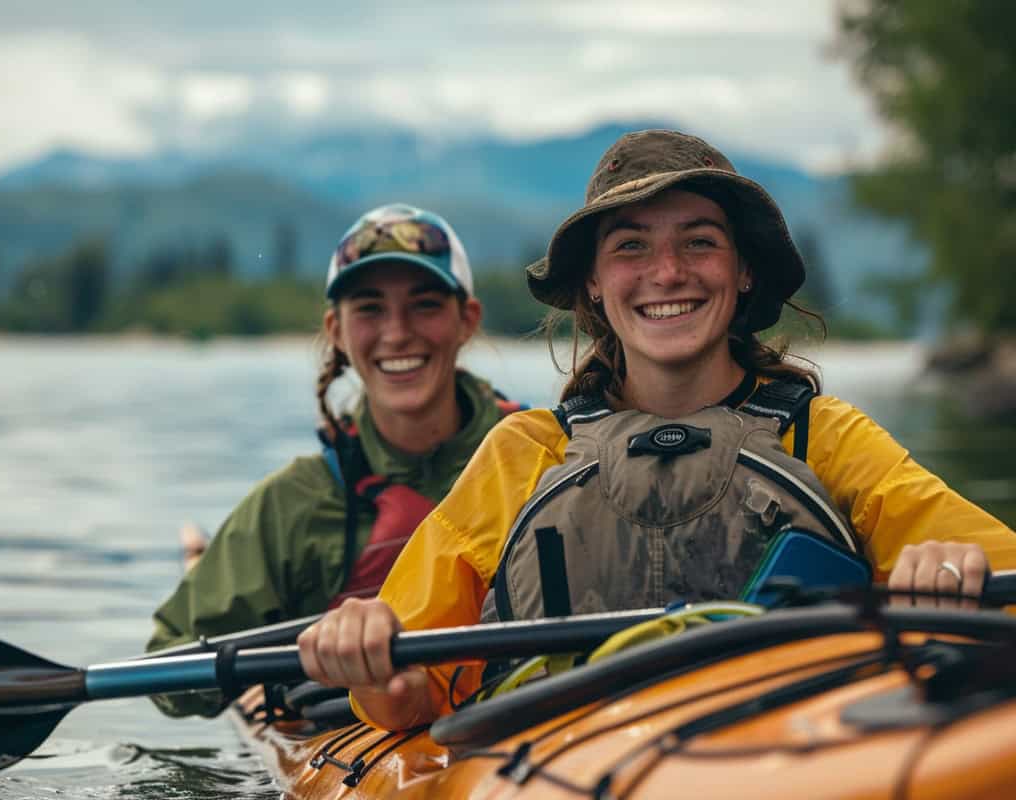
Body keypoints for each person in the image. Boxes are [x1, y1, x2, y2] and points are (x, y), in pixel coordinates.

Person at [296, 129, 1016, 732]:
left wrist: (952, 571)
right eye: (631, 247)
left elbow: (1001, 580)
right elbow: (411, 688)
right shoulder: (527, 456)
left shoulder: (823, 439)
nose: (667, 272)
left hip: (786, 751)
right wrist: (366, 657)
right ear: (593, 286)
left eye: (699, 243)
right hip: (560, 755)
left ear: (740, 274)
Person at [146, 203, 518, 717]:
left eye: (425, 304)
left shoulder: (543, 462)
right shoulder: (295, 503)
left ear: (467, 321)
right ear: (336, 330)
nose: (397, 332)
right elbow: (168, 671)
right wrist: (271, 668)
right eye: (369, 308)